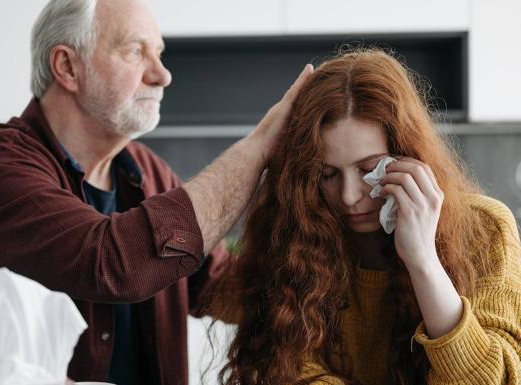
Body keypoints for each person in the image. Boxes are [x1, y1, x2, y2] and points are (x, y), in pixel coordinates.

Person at [0, 0, 313, 384]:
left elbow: (221, 288)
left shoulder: (150, 174)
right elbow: (108, 262)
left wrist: (348, 249)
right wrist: (258, 148)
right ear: (68, 66)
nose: (162, 74)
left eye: (158, 53)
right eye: (135, 52)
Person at [212, 49, 521, 385]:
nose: (348, 196)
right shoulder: (298, 235)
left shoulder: (485, 228)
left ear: (408, 156)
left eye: (369, 169)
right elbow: (292, 371)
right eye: (327, 174)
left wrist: (422, 260)